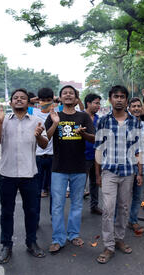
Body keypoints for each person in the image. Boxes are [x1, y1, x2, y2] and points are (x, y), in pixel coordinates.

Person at [0, 88, 48, 264]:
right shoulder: (4, 121)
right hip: (7, 174)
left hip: (29, 174)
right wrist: (0, 122)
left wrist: (39, 136)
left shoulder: (36, 121)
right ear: (10, 103)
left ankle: (31, 242)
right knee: (6, 212)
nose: (19, 100)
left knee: (31, 211)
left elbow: (44, 143)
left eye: (22, 98)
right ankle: (6, 245)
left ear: (28, 102)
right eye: (15, 98)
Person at [94, 85, 143, 264]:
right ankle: (108, 246)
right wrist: (98, 175)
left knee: (123, 207)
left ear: (126, 100)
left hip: (128, 172)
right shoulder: (103, 121)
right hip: (109, 171)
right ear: (110, 99)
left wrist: (140, 172)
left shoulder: (134, 122)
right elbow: (98, 148)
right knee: (108, 208)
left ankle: (119, 238)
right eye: (116, 96)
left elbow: (138, 149)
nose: (119, 99)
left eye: (123, 96)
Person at [45, 85, 95, 254]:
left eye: (71, 93)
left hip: (79, 167)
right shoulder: (54, 115)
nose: (68, 95)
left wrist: (83, 134)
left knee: (77, 204)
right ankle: (58, 238)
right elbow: (46, 139)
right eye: (64, 93)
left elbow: (93, 138)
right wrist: (55, 123)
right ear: (60, 98)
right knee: (57, 206)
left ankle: (73, 234)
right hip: (58, 167)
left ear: (76, 98)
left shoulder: (84, 116)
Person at [28, 88, 58, 228]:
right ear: (37, 101)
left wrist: (55, 100)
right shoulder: (32, 112)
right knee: (36, 192)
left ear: (52, 99)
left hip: (53, 156)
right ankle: (35, 219)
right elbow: (22, 102)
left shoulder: (57, 111)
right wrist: (34, 100)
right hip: (37, 156)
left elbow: (73, 100)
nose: (45, 103)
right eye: (42, 100)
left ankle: (54, 218)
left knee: (54, 191)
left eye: (48, 100)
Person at [126, 97, 144, 235]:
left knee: (137, 197)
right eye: (133, 106)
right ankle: (119, 222)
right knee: (123, 198)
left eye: (138, 106)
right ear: (129, 109)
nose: (136, 108)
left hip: (142, 166)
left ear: (141, 109)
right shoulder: (124, 124)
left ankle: (133, 221)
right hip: (128, 167)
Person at [84, 93, 103, 215]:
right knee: (80, 184)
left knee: (95, 182)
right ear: (88, 103)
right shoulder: (80, 117)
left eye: (99, 103)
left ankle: (94, 206)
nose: (98, 106)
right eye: (96, 103)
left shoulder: (99, 119)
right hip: (82, 156)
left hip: (96, 155)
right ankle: (77, 209)